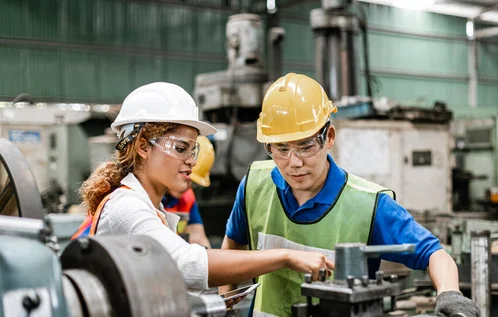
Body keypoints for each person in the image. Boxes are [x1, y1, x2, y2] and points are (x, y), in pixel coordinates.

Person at [221, 73, 480, 317]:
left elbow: (434, 254)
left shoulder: (367, 205)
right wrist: (226, 308)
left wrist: (450, 294)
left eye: (306, 146)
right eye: (281, 149)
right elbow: (231, 247)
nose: (293, 163)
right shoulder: (255, 185)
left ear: (328, 137)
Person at [72, 81, 334, 295]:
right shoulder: (126, 207)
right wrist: (285, 256)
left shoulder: (152, 208)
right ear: (142, 146)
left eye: (193, 149)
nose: (192, 160)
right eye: (180, 148)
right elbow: (187, 266)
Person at [162, 136, 214, 248]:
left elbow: (198, 238)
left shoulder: (187, 198)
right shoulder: (148, 196)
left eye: (193, 183)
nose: (187, 186)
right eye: (185, 177)